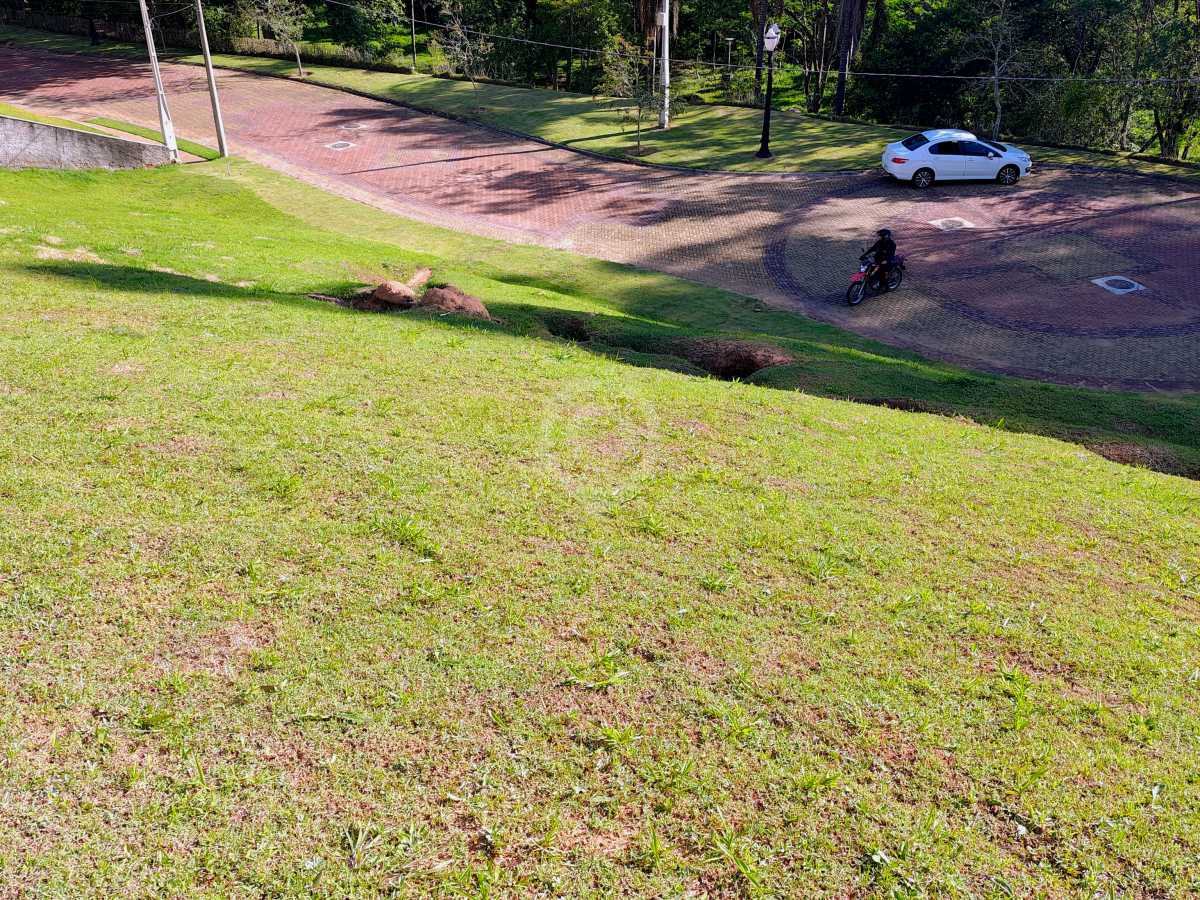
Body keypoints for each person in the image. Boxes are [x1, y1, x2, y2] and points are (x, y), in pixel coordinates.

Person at [861, 228, 897, 292]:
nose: (880, 237)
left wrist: (886, 260)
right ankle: (872, 280)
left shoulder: (892, 244)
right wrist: (864, 255)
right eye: (880, 236)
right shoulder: (880, 242)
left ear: (886, 236)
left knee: (882, 273)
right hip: (878, 259)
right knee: (870, 269)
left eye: (882, 236)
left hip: (886, 261)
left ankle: (885, 286)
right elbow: (873, 248)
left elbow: (891, 254)